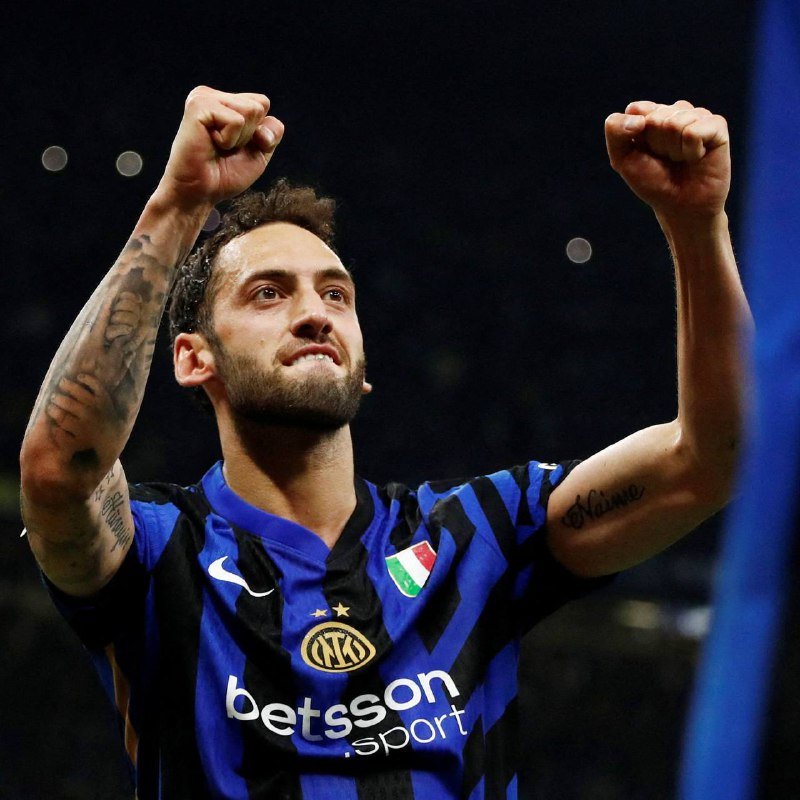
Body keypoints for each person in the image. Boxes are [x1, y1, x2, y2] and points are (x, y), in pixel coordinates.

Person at [19, 86, 751, 799]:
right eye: (268, 293)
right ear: (193, 358)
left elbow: (712, 460)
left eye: (335, 294)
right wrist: (178, 205)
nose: (315, 314)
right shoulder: (159, 553)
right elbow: (61, 470)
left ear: (363, 366)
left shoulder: (478, 536)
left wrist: (697, 225)